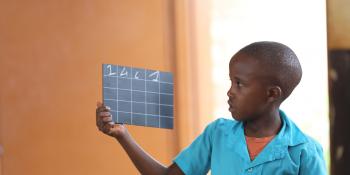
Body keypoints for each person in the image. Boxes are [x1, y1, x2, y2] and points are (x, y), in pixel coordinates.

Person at [96, 41, 327, 175]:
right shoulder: (217, 134)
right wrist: (123, 135)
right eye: (230, 82)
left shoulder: (304, 152)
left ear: (271, 94)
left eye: (239, 83)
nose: (230, 91)